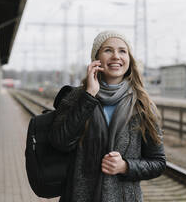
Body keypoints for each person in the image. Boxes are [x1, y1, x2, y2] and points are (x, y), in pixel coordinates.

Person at [49, 30, 166, 202]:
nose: (116, 56)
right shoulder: (75, 97)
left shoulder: (142, 105)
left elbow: (158, 163)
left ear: (129, 59)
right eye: (108, 50)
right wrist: (88, 97)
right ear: (96, 58)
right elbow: (60, 142)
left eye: (122, 51)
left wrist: (126, 166)